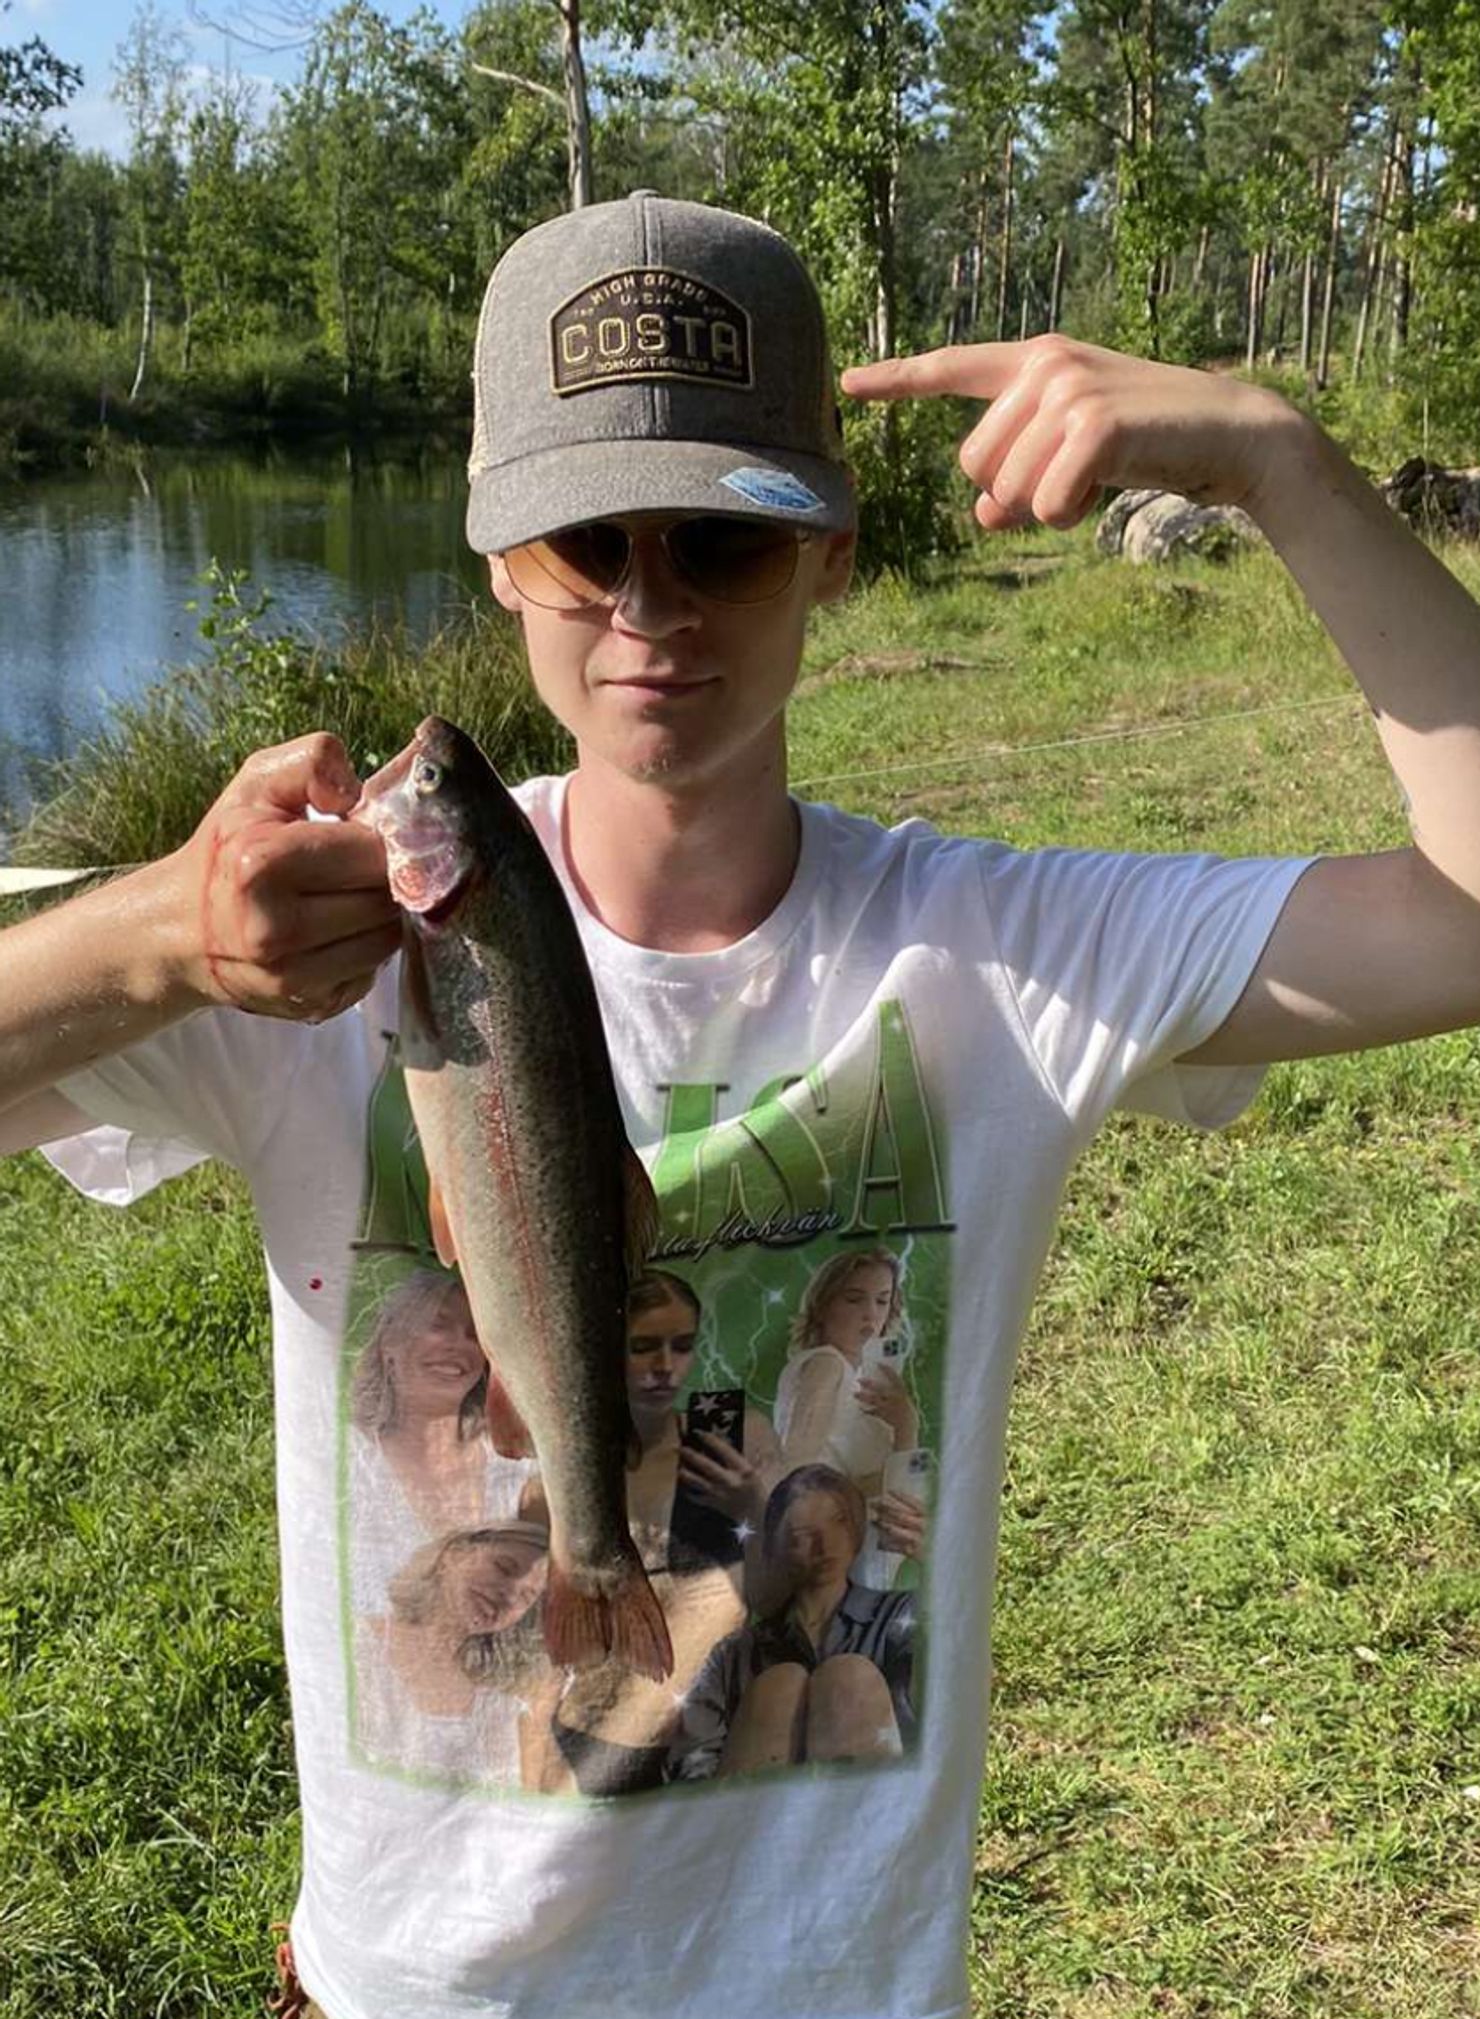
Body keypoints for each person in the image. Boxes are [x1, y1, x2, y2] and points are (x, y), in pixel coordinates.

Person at [2, 185, 1479, 2019]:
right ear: (497, 558)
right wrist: (155, 932)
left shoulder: (1000, 951)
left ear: (833, 551)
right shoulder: (302, 953)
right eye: (585, 544)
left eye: (721, 540)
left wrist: (1278, 458)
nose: (651, 608)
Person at [667, 1463, 917, 1783]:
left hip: (877, 1799)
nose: (825, 1545)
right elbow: (693, 1759)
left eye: (838, 1521)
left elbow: (935, 1703)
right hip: (755, 1810)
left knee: (848, 1677)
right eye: (802, 1535)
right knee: (780, 1688)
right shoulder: (734, 1654)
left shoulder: (899, 1615)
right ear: (777, 1547)